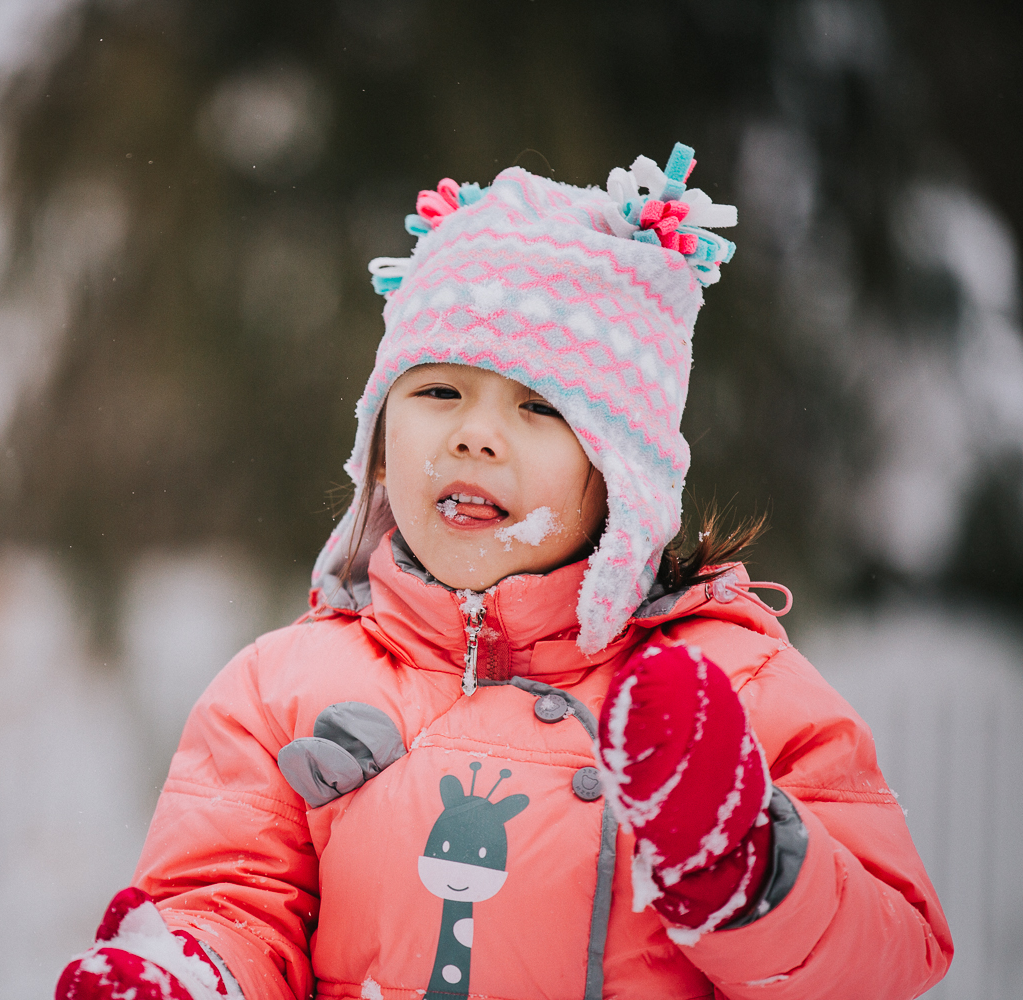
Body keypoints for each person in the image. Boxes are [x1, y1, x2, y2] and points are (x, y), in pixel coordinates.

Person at [54, 144, 952, 1000]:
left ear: (621, 474)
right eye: (438, 390)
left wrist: (743, 864)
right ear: (377, 441)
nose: (475, 433)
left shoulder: (736, 687)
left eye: (538, 407)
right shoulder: (281, 688)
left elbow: (888, 959)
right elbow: (233, 906)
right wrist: (189, 972)